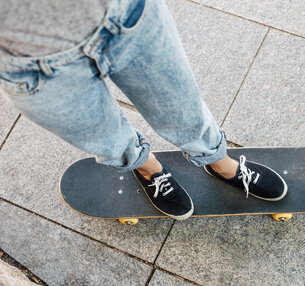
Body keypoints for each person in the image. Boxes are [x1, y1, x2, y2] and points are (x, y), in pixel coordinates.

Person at [0, 0, 287, 220]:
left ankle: (220, 164)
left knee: (182, 110)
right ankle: (148, 169)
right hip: (26, 67)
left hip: (126, 17)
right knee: (105, 138)